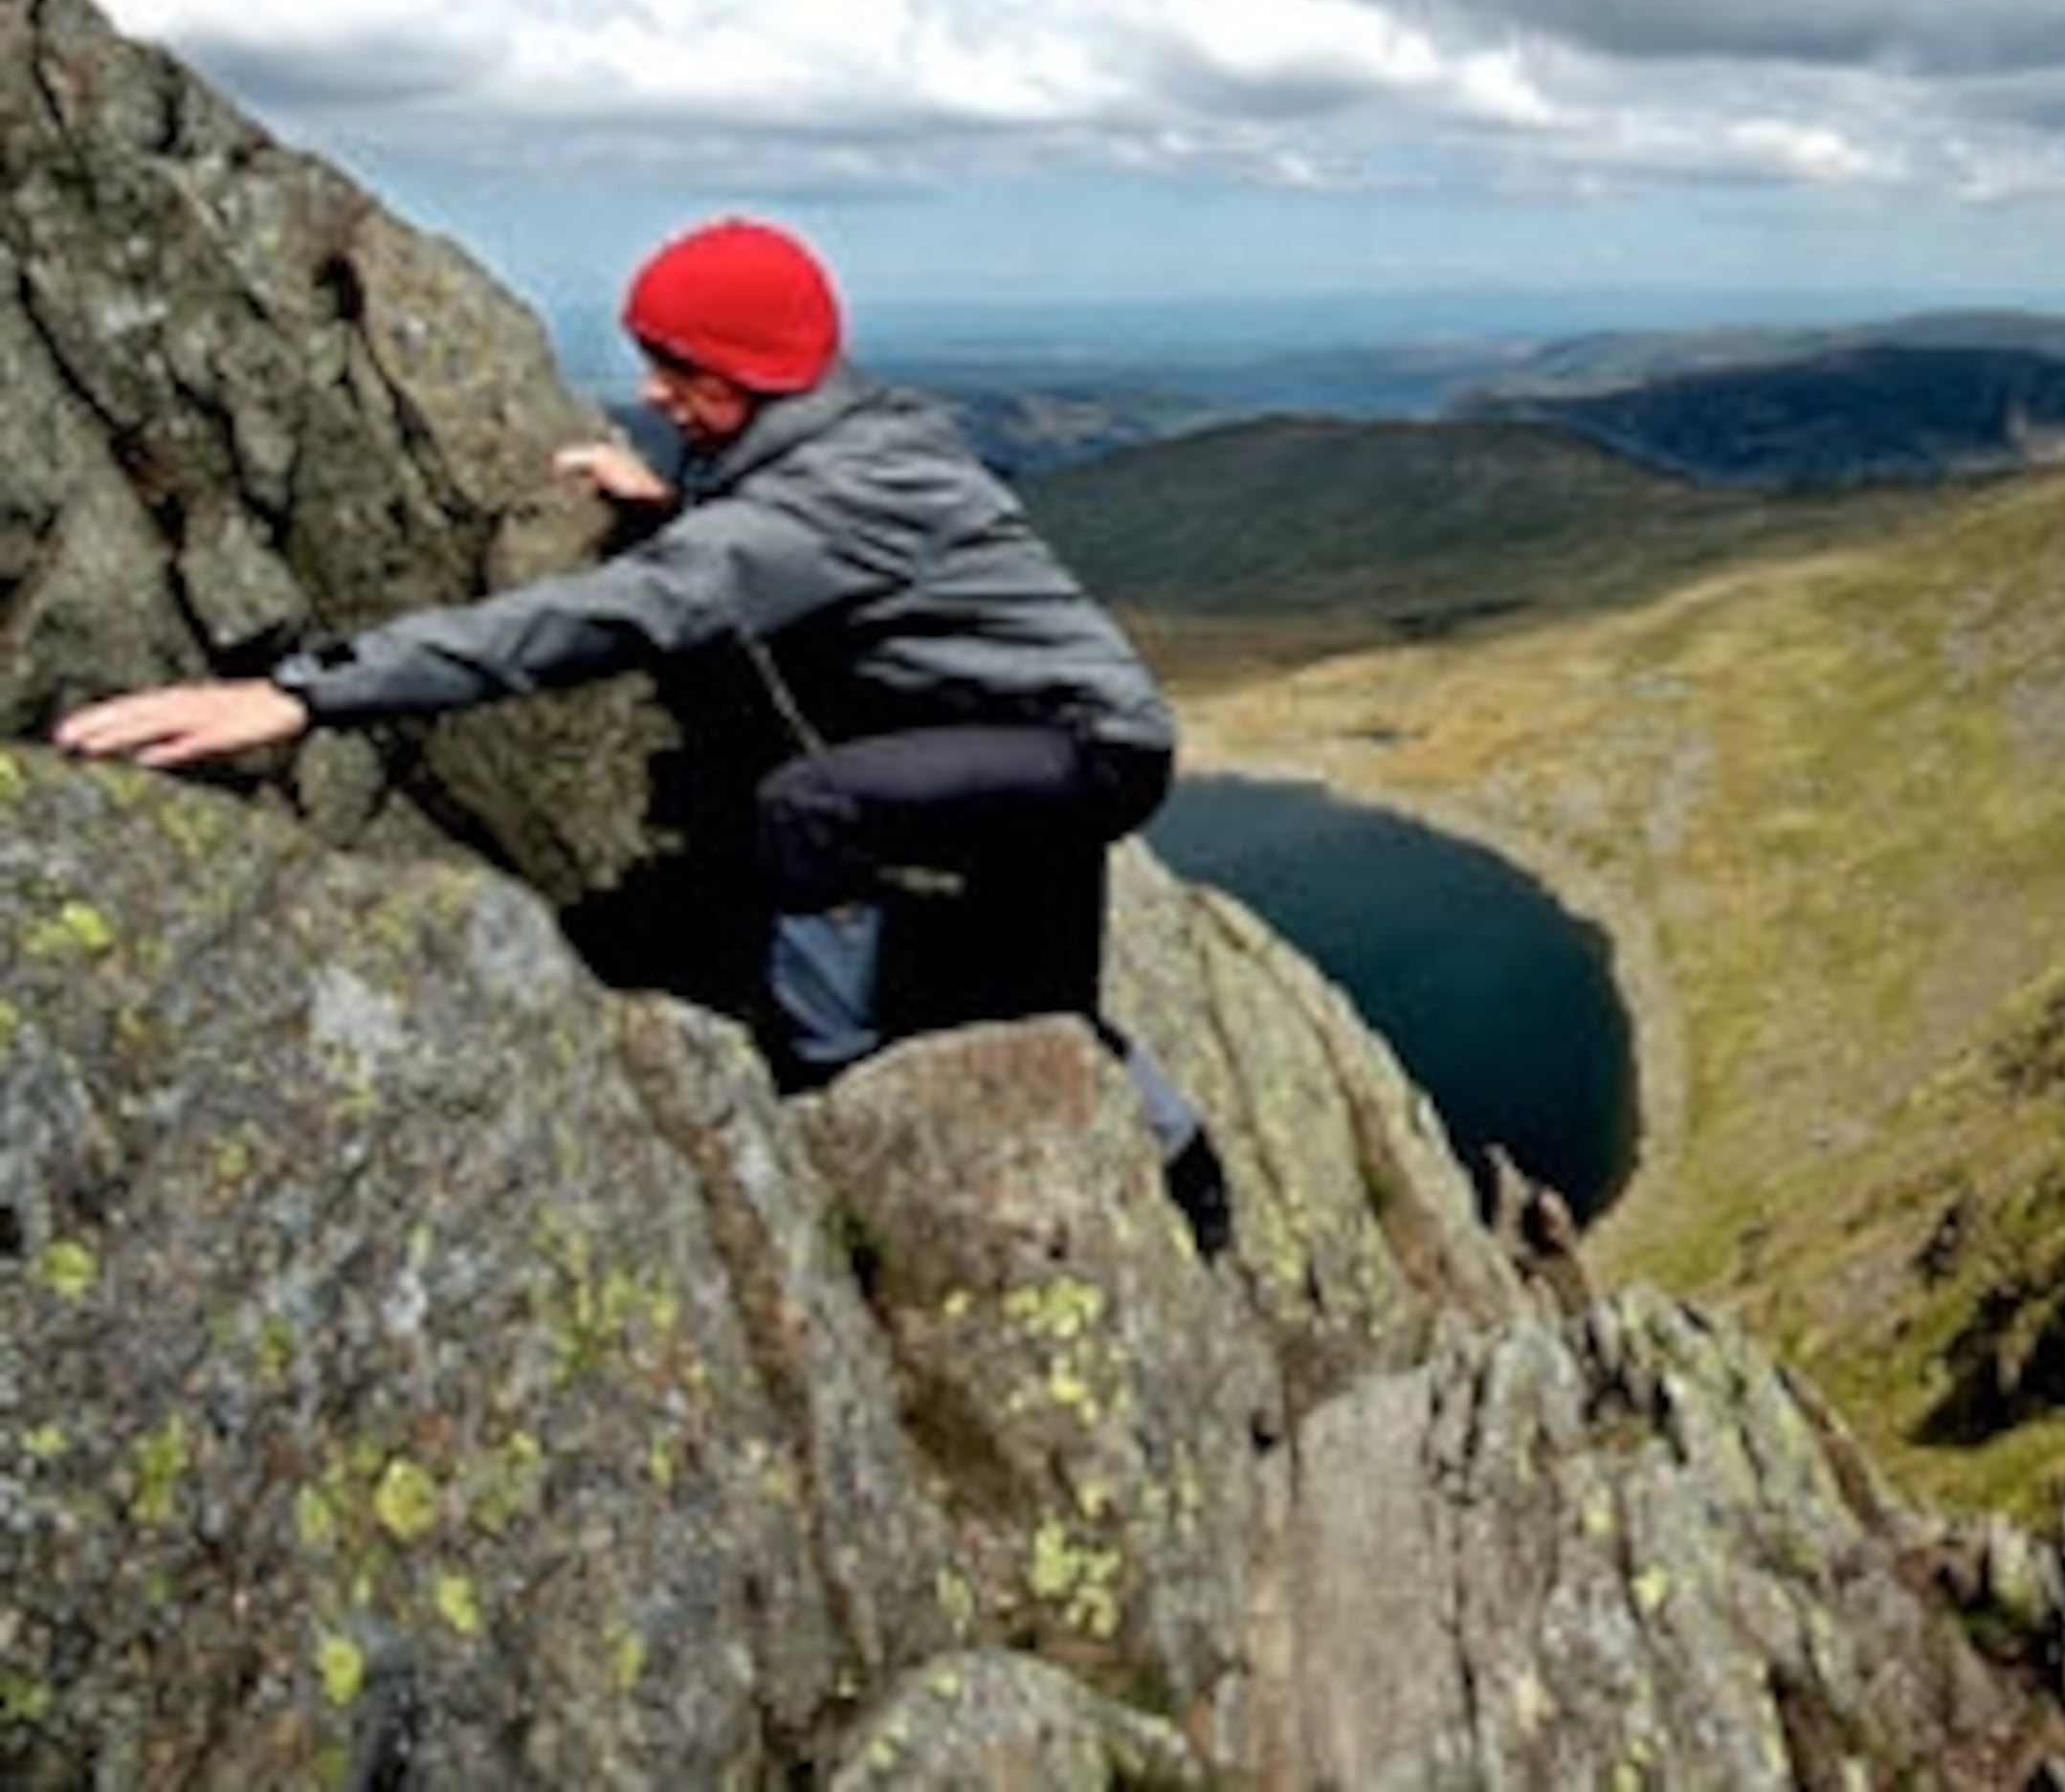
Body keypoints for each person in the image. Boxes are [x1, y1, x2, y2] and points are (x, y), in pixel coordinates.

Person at [56, 217, 1232, 1255]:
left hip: (1073, 755)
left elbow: (591, 621)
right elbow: (798, 539)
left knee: (808, 806)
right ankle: (1188, 1165)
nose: (657, 391)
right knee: (1039, 1003)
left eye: (677, 367)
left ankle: (826, 1072)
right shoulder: (868, 430)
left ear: (749, 370)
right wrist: (679, 512)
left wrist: (309, 693)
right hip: (1050, 741)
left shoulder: (821, 495)